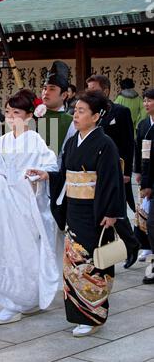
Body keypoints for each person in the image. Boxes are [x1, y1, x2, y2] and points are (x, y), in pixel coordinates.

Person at [27, 91, 126, 337]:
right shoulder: (73, 142)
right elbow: (66, 174)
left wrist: (112, 212)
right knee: (73, 264)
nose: (76, 115)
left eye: (82, 111)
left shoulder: (105, 145)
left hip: (95, 212)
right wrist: (49, 176)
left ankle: (93, 314)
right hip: (74, 210)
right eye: (76, 110)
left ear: (95, 116)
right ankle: (79, 312)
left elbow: (112, 181)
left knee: (91, 264)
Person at [0, 89, 63, 325]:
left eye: (16, 112)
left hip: (27, 204)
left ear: (28, 116)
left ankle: (25, 299)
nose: (10, 116)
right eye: (8, 111)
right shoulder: (3, 141)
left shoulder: (35, 140)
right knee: (6, 250)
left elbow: (49, 166)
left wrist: (34, 179)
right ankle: (11, 299)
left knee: (26, 252)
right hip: (5, 206)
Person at [86, 74, 140, 269]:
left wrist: (127, 171)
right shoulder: (88, 113)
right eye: (88, 90)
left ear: (106, 91)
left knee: (117, 209)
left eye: (95, 90)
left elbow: (128, 143)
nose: (90, 93)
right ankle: (127, 244)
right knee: (105, 210)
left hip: (116, 170)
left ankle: (131, 244)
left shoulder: (120, 112)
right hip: (93, 171)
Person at [41, 61, 75, 167]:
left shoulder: (71, 122)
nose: (46, 92)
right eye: (44, 88)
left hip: (58, 176)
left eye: (52, 89)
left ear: (64, 95)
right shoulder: (34, 117)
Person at [135, 88, 154, 275]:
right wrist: (138, 171)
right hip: (146, 172)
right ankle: (146, 245)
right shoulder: (142, 125)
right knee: (144, 215)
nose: (146, 104)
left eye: (150, 101)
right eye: (145, 101)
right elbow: (138, 149)